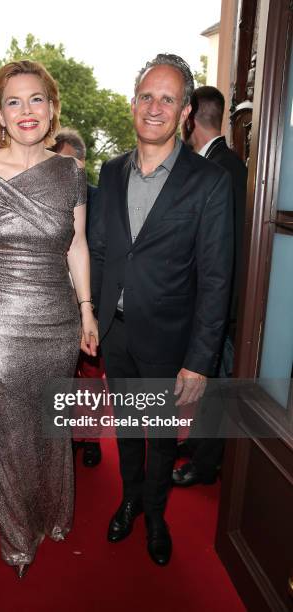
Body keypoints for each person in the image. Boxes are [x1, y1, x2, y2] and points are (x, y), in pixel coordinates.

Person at [0, 60, 98, 578]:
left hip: (58, 322)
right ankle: (17, 541)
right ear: (0, 113)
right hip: (0, 326)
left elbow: (77, 246)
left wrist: (86, 310)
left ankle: (54, 515)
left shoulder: (71, 173)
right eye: (14, 101)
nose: (26, 110)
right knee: (12, 435)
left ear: (52, 107)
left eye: (36, 99)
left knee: (52, 426)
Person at [90, 54, 234, 566]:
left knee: (161, 439)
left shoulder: (209, 182)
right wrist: (92, 316)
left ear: (186, 112)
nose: (155, 107)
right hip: (116, 334)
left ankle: (154, 513)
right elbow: (103, 251)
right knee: (127, 429)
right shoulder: (108, 172)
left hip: (172, 342)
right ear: (133, 104)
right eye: (147, 96)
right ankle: (128, 499)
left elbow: (217, 280)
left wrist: (199, 360)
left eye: (167, 99)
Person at [173, 85, 248, 486]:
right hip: (210, 303)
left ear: (190, 117)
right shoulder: (216, 163)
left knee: (217, 384)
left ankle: (206, 465)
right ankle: (198, 445)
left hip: (223, 306)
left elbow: (229, 251)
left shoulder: (226, 169)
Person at [51, 127, 103, 467]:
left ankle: (92, 438)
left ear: (82, 164)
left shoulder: (101, 199)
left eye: (66, 163)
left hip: (91, 299)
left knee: (91, 375)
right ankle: (67, 436)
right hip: (55, 301)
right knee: (62, 377)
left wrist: (92, 304)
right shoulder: (45, 198)